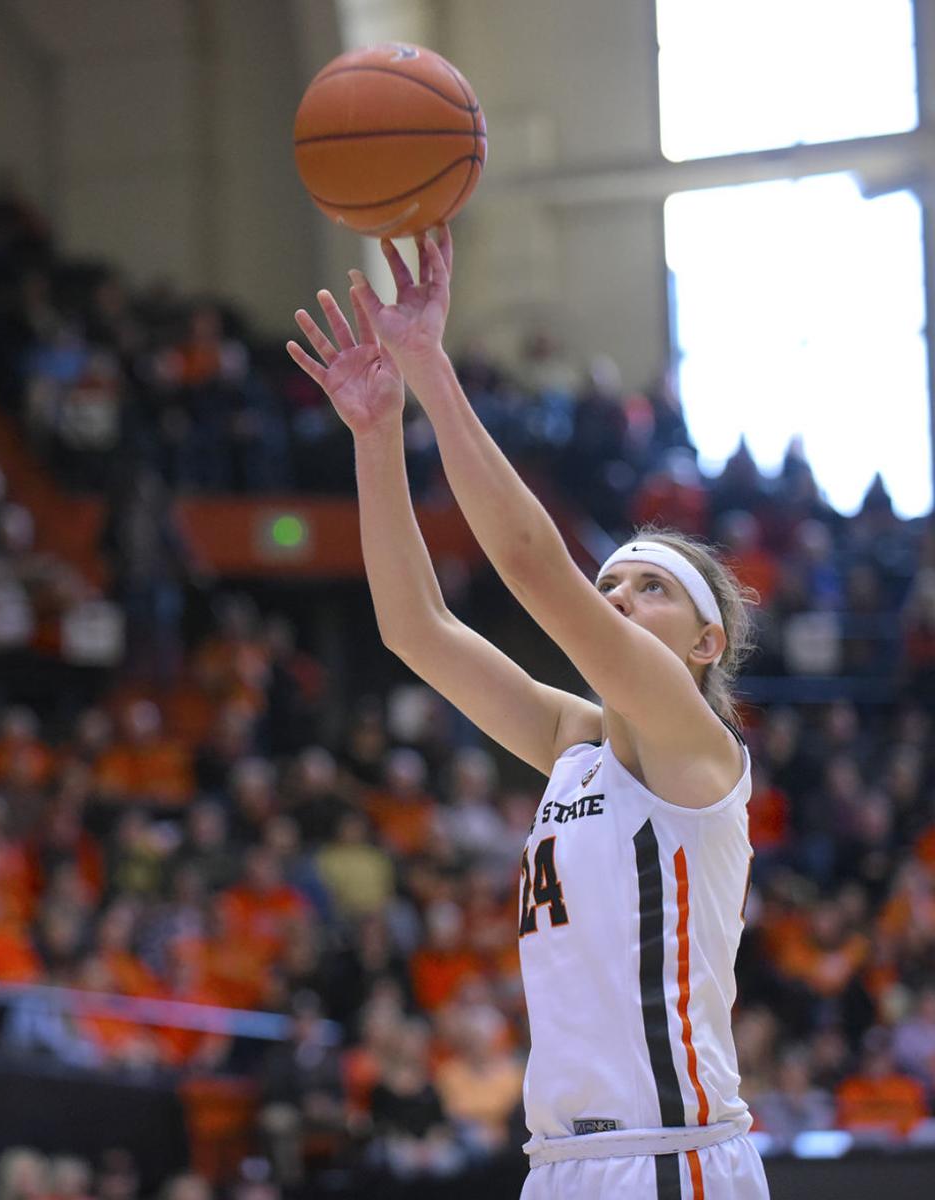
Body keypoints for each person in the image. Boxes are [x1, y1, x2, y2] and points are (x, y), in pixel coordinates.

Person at [288, 224, 769, 1198]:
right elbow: (415, 630)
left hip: (673, 1160)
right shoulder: (574, 740)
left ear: (705, 642)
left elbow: (530, 566)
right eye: (612, 582)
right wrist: (378, 433)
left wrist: (429, 364)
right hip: (560, 1162)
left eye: (649, 589)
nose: (619, 598)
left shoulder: (696, 752)